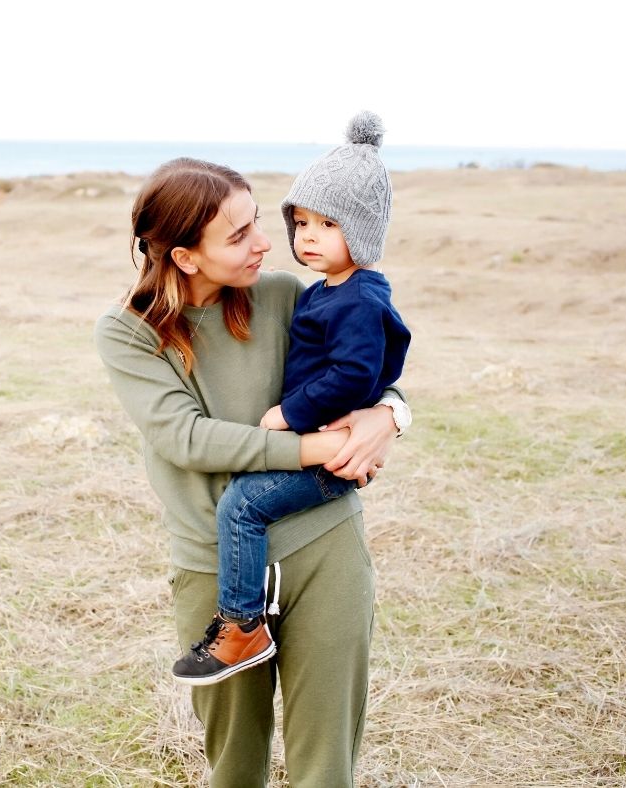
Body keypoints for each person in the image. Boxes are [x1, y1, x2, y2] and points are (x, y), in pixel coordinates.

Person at [94, 153, 409, 786]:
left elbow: (364, 365)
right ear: (185, 255)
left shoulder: (286, 295)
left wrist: (391, 415)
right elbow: (186, 438)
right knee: (235, 764)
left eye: (260, 222)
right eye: (239, 235)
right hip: (214, 560)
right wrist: (315, 450)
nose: (269, 244)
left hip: (323, 545)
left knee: (327, 762)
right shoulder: (127, 333)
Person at [172, 111, 411, 686]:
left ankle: (241, 625)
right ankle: (244, 621)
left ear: (362, 232)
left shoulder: (355, 300)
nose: (306, 236)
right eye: (300, 221)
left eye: (327, 224)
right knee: (245, 502)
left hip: (328, 456)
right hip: (325, 445)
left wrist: (294, 415)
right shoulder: (327, 291)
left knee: (244, 505)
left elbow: (358, 375)